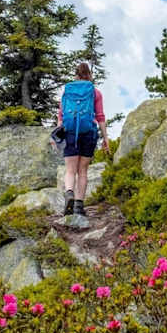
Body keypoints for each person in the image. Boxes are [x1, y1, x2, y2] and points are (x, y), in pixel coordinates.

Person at [57, 61, 109, 217]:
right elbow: (100, 116)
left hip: (70, 132)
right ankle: (79, 206)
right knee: (83, 171)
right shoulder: (95, 92)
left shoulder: (68, 91)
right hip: (88, 133)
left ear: (76, 74)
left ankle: (69, 193)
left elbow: (61, 116)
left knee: (70, 170)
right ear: (89, 75)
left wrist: (58, 135)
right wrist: (105, 138)